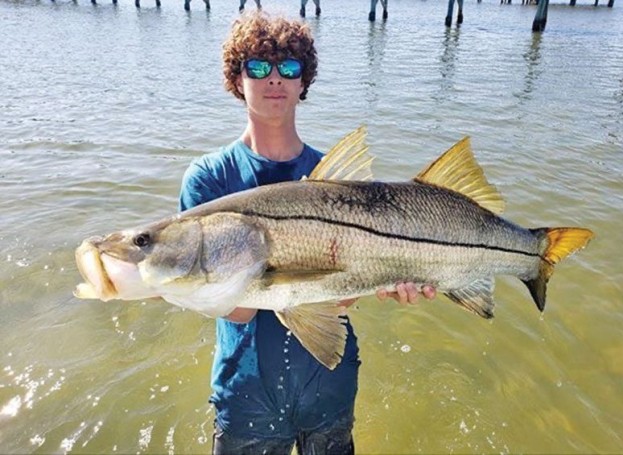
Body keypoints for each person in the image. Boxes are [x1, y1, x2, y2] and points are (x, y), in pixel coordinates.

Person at [179, 12, 435, 455]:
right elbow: (232, 310)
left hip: (329, 388)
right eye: (258, 66)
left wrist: (388, 277)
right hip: (245, 397)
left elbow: (342, 295)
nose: (274, 78)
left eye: (289, 68)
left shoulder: (336, 182)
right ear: (238, 79)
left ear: (304, 82)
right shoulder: (209, 179)